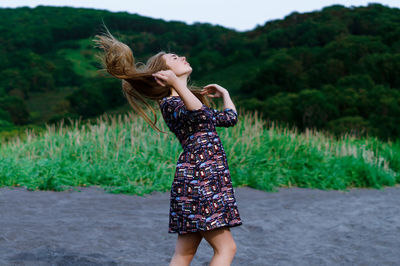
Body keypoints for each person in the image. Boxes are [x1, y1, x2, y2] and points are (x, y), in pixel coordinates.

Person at [93, 24, 243, 266]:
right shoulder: (171, 104)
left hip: (203, 179)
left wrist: (225, 93)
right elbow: (201, 115)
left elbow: (229, 119)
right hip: (199, 179)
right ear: (164, 74)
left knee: (184, 254)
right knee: (227, 248)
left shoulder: (187, 100)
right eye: (174, 58)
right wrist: (178, 84)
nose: (182, 57)